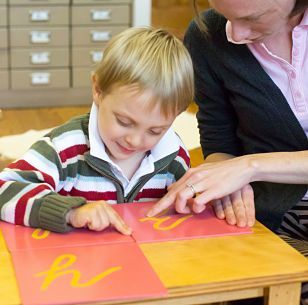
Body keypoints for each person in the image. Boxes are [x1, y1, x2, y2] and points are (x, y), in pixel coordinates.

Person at [0, 27, 194, 235]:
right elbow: (4, 190)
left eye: (155, 131)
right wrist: (71, 212)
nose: (135, 141)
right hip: (73, 263)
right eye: (124, 121)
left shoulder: (174, 155)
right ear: (98, 90)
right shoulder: (64, 148)